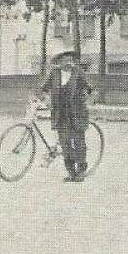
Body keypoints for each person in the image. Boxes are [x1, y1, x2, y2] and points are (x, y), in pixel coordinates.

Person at [37, 50, 93, 182]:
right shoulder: (54, 74)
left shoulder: (78, 72)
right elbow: (43, 89)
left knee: (78, 142)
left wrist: (88, 98)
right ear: (59, 62)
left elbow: (89, 88)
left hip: (77, 113)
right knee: (65, 144)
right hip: (60, 113)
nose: (68, 63)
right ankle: (71, 172)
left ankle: (81, 169)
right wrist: (44, 99)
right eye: (65, 60)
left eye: (70, 60)